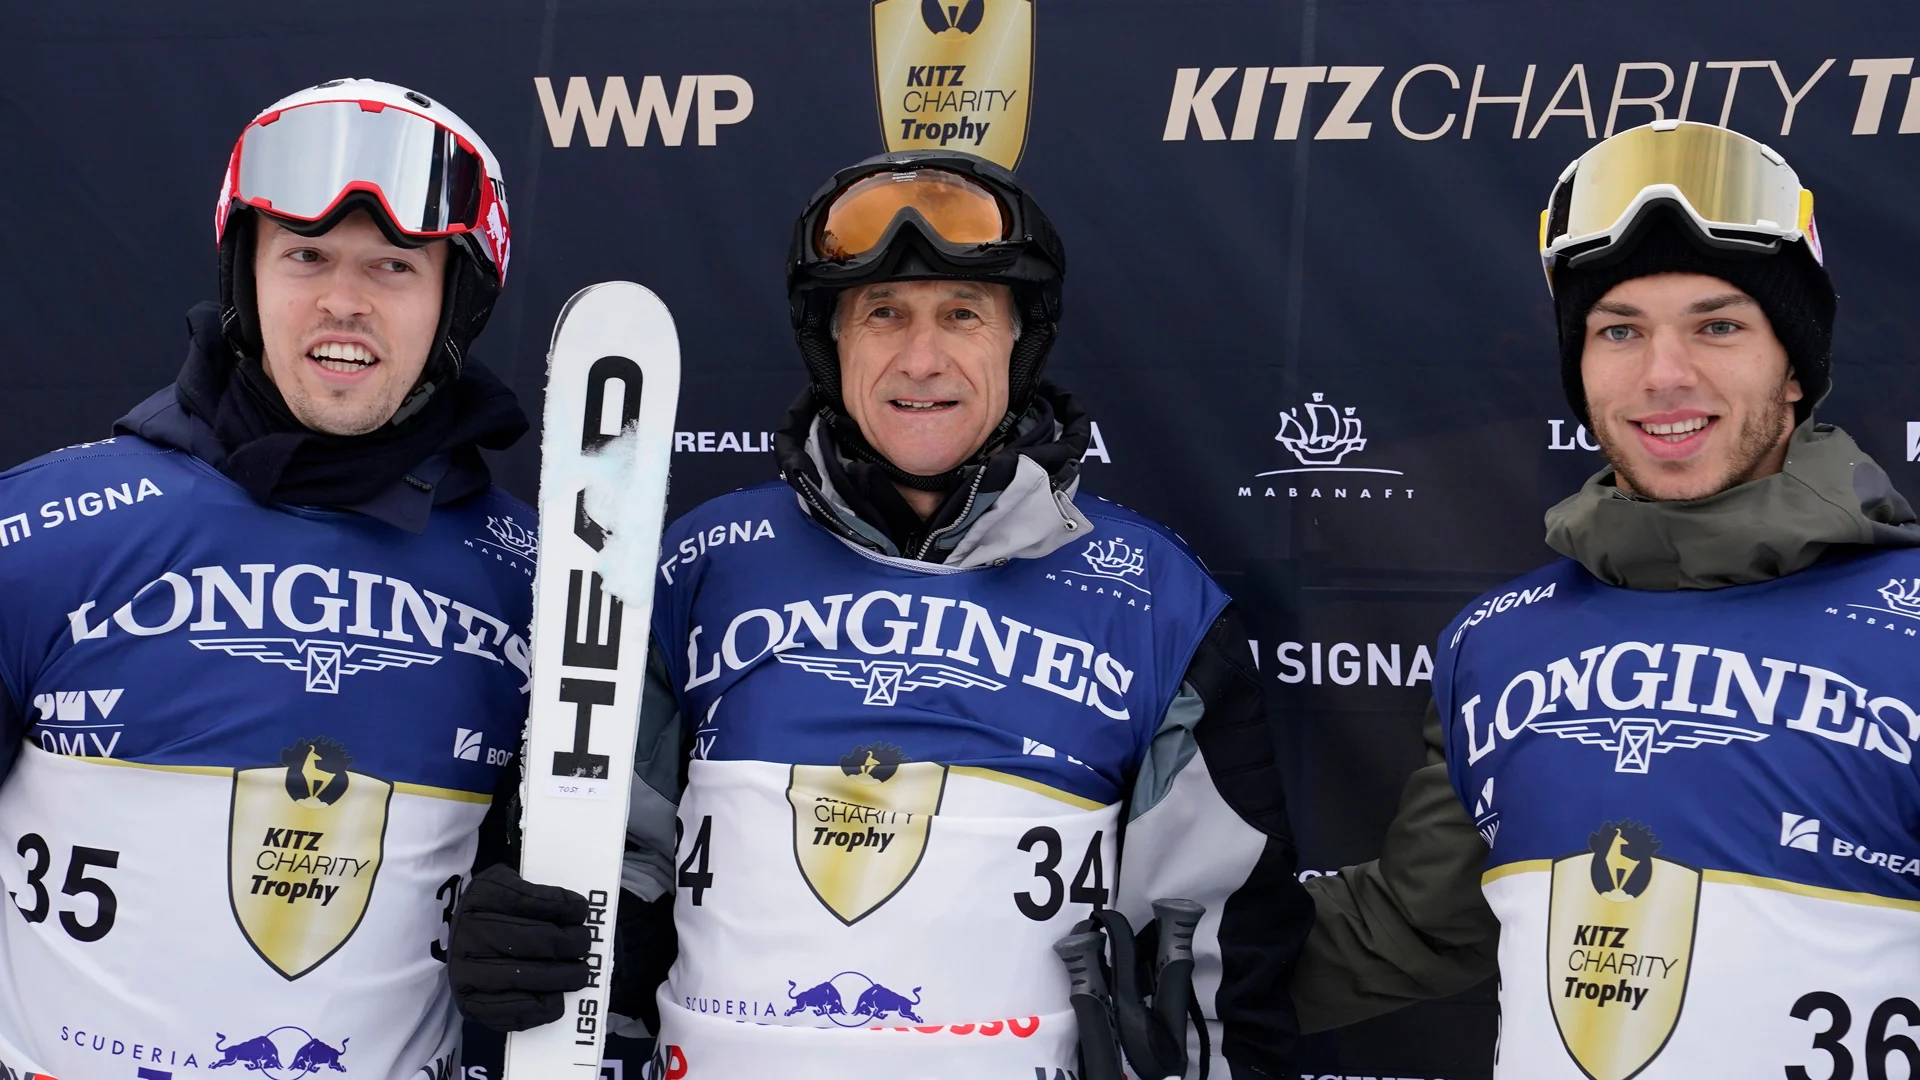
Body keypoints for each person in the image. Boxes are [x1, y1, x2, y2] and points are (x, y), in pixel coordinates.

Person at [449, 149, 1314, 1079]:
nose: (922, 359)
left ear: (1019, 342)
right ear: (834, 344)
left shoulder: (1153, 597)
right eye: (884, 315)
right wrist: (538, 953)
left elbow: (1225, 948)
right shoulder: (697, 566)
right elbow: (607, 870)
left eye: (962, 315)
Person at [1290, 119, 1920, 1078]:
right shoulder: (1495, 645)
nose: (1665, 375)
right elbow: (1412, 927)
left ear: (1794, 367)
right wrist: (1113, 947)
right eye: (1619, 330)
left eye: (1718, 325)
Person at [0, 78, 533, 1079]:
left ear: (456, 302)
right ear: (246, 274)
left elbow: (622, 883)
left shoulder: (537, 585)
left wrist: (558, 937)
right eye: (304, 255)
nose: (344, 300)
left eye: (394, 265)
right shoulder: (40, 535)